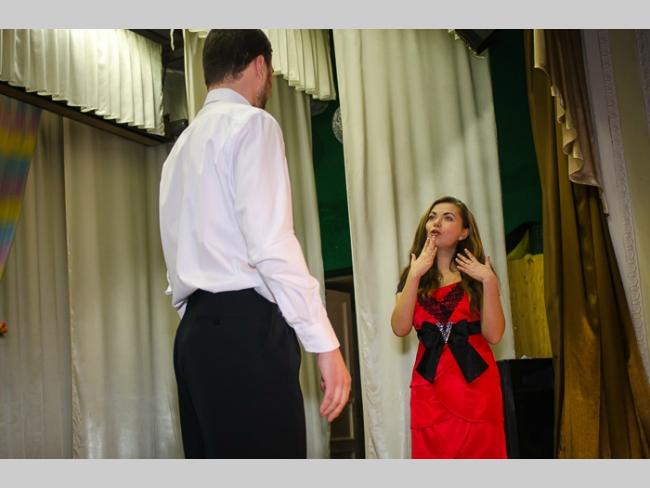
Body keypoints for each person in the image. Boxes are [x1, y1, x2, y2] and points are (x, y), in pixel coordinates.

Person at [159, 29, 351, 459]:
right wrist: (325, 342)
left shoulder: (179, 150)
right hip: (245, 331)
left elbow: (175, 257)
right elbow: (271, 244)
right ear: (260, 66)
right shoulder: (252, 124)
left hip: (193, 339)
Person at [390, 196, 507, 458]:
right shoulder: (413, 277)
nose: (437, 222)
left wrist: (489, 281)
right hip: (429, 389)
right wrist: (414, 274)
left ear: (464, 232)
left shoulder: (479, 276)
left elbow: (494, 334)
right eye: (432, 216)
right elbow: (399, 328)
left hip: (476, 387)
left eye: (448, 217)